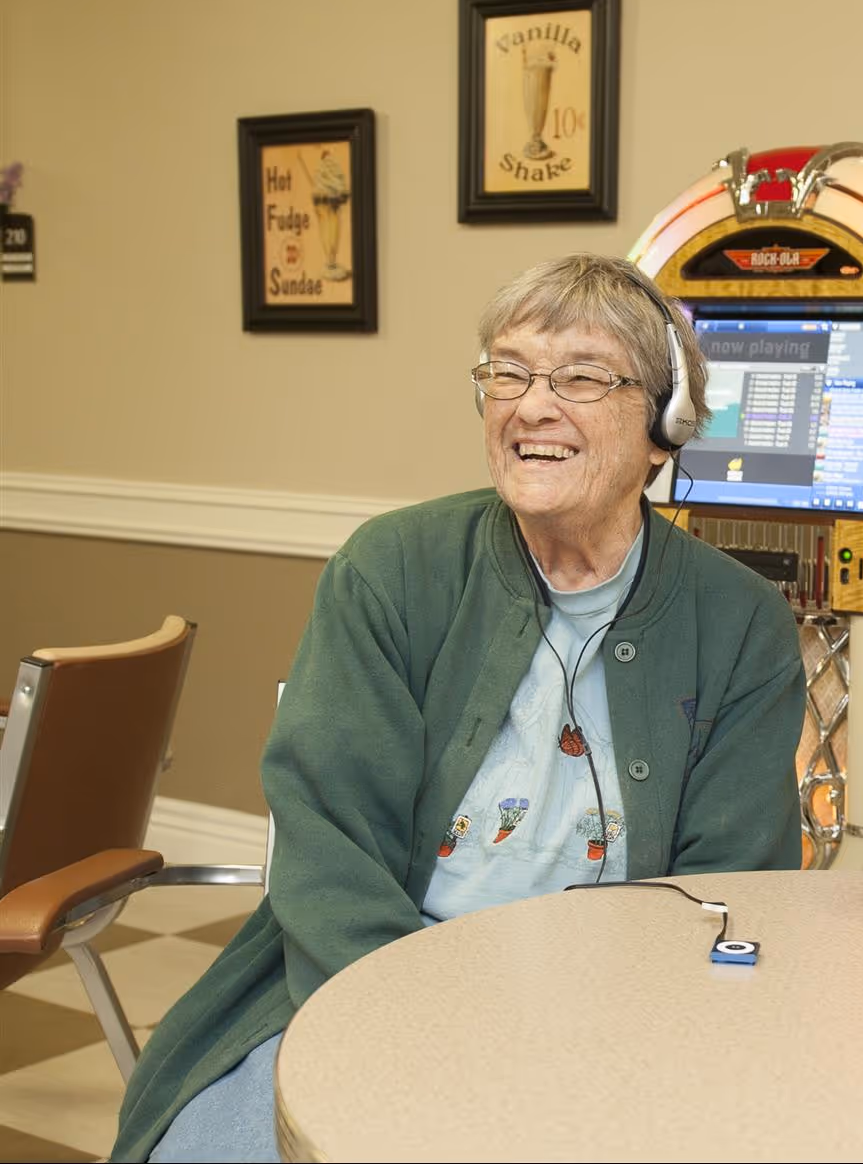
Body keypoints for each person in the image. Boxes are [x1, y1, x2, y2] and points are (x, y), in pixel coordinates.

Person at [116, 255, 806, 1161]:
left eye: (583, 377)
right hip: (361, 985)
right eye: (508, 372)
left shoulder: (739, 620)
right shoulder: (392, 568)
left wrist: (593, 1042)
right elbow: (328, 843)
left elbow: (733, 883)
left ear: (664, 426)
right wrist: (423, 1027)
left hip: (620, 1018)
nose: (531, 405)